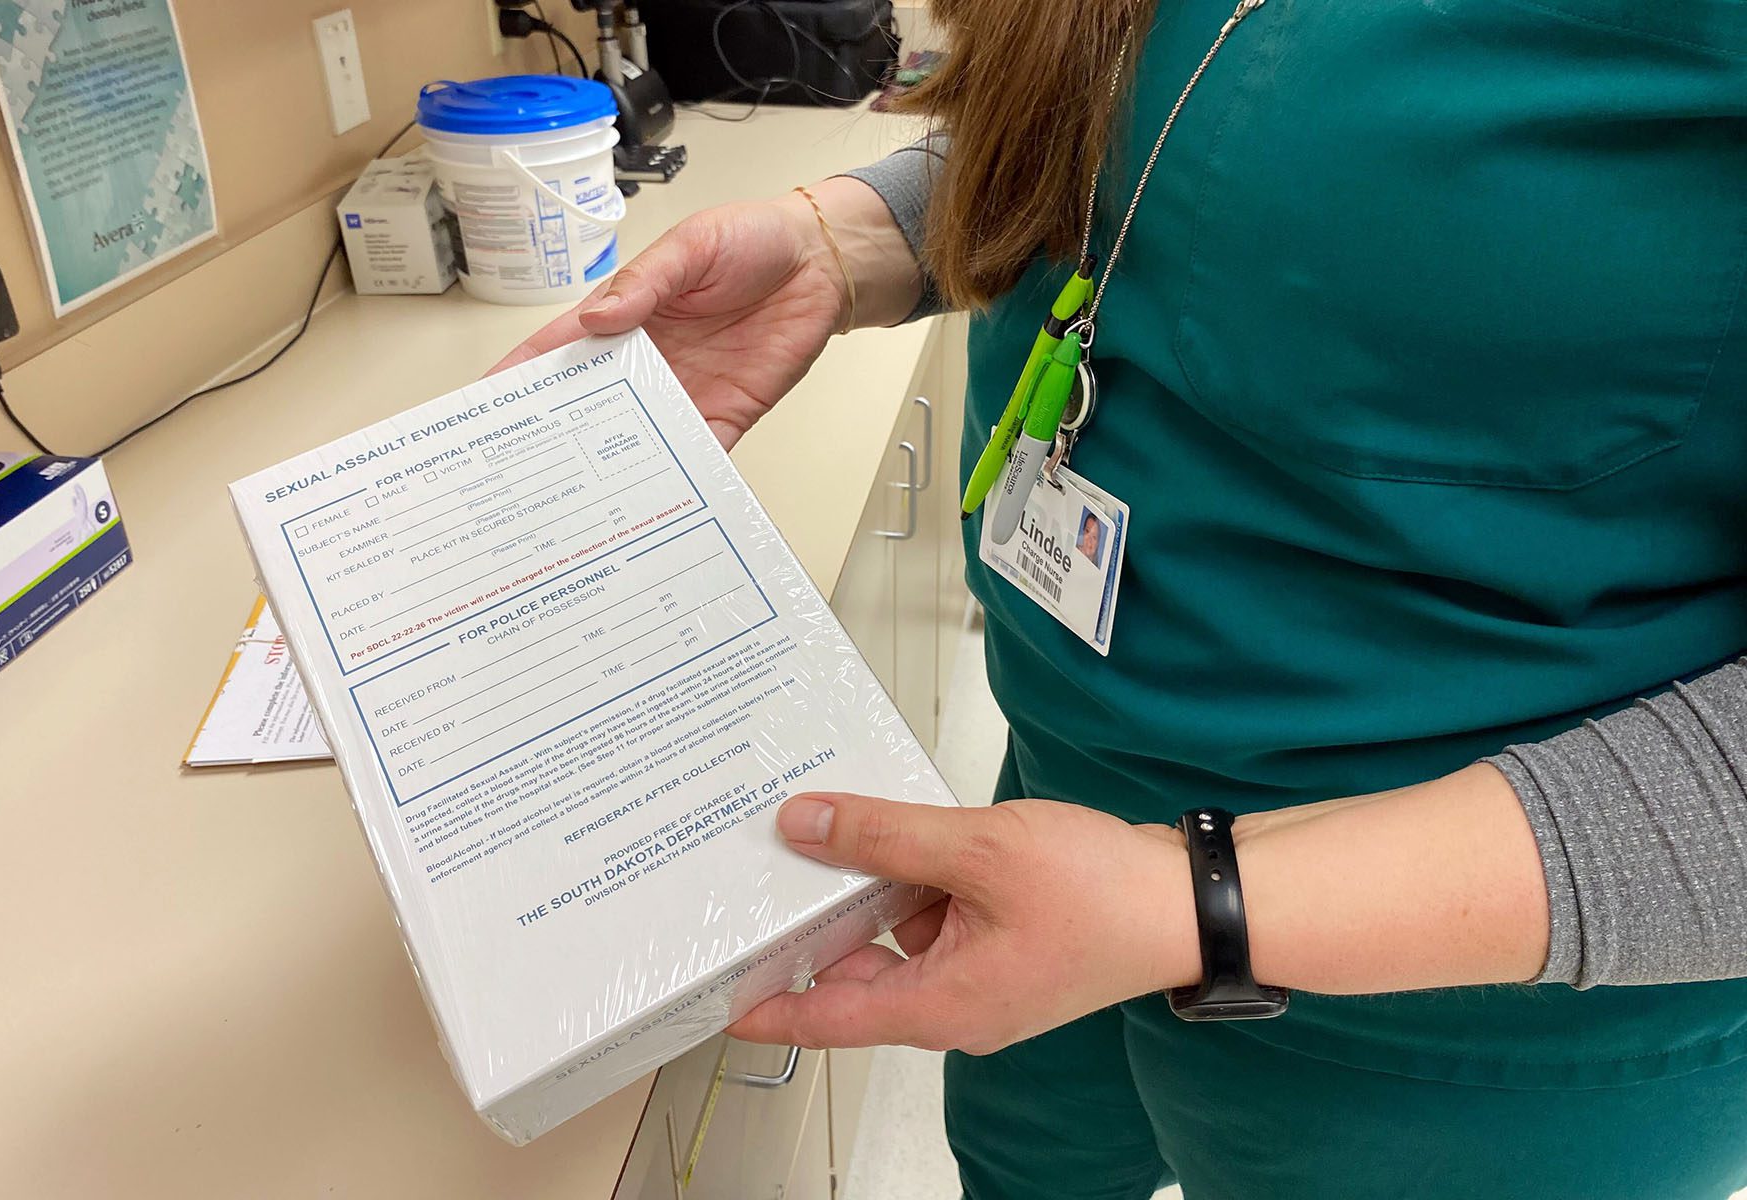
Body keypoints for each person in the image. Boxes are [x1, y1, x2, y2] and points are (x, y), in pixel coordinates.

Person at [496, 1, 1747, 1195]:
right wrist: (858, 238)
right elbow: (1182, 124)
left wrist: (1188, 903)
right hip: (1059, 824)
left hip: (1472, 1034)